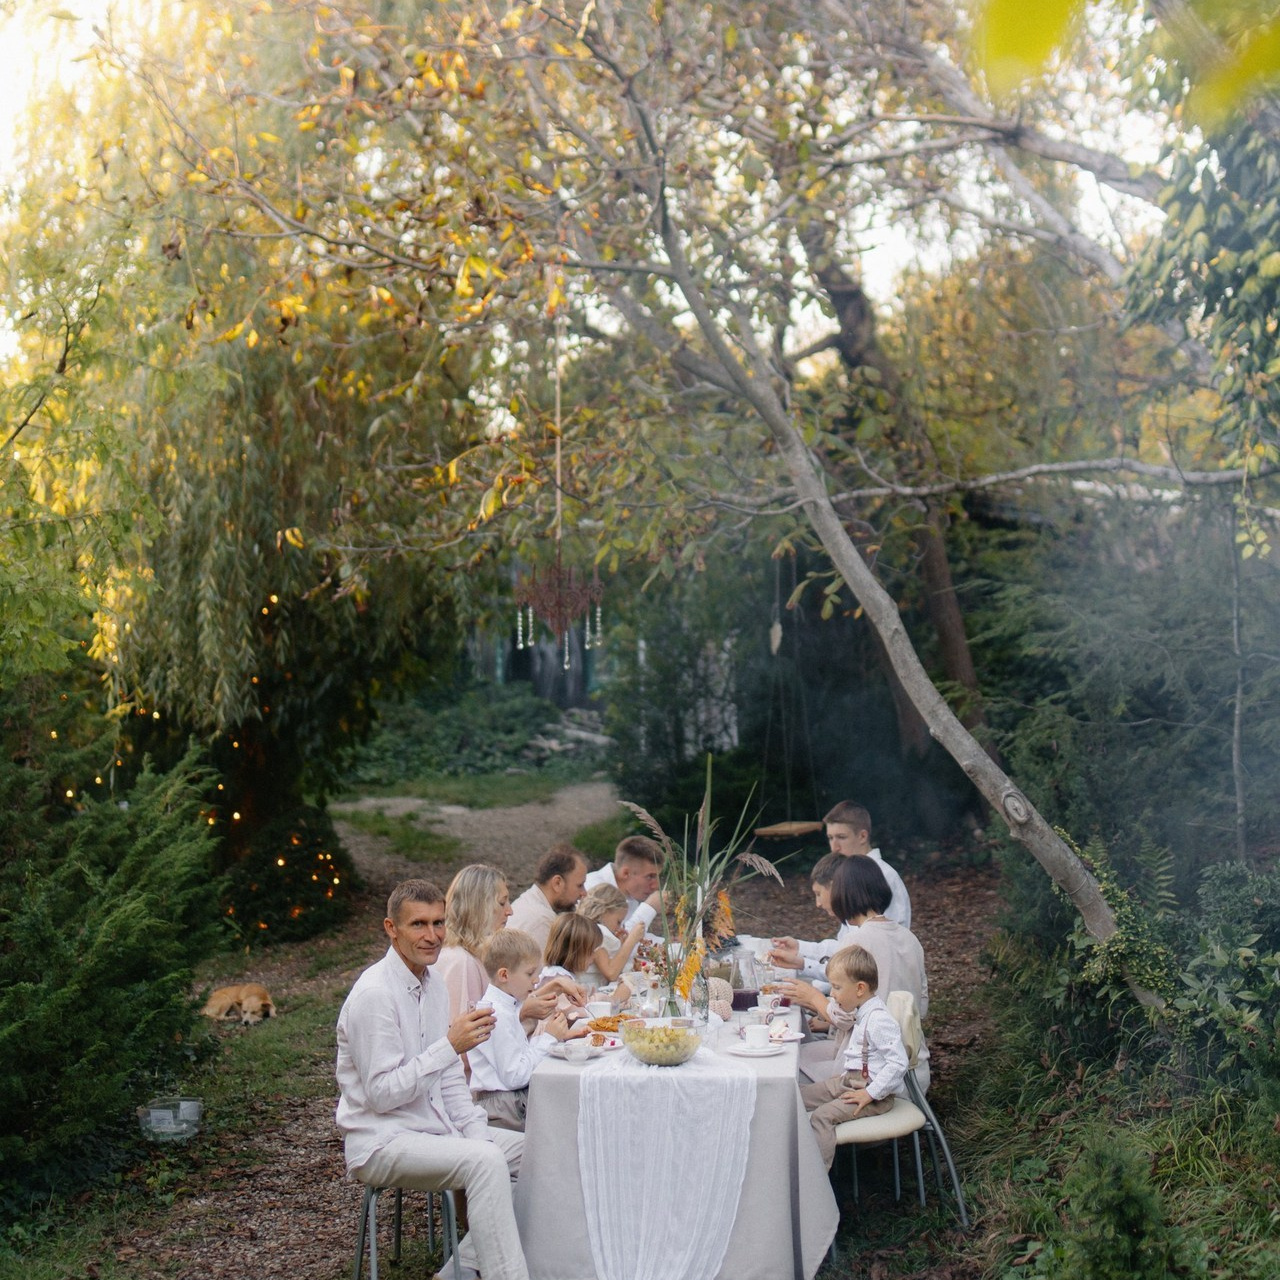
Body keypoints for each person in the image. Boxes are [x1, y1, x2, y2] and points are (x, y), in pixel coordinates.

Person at [335, 878, 529, 1280]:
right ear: (392, 929)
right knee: (485, 1161)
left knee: (538, 1152)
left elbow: (451, 1082)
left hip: (435, 1129)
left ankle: (462, 1270)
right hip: (382, 1139)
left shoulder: (434, 982)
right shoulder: (374, 995)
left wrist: (476, 1129)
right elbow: (382, 1095)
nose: (432, 935)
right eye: (418, 925)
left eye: (438, 923)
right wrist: (449, 1046)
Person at [780, 855, 931, 1089]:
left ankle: (814, 1124)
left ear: (843, 894)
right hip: (914, 1069)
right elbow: (920, 1008)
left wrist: (812, 998)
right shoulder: (910, 939)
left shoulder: (856, 940)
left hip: (872, 1073)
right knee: (804, 1052)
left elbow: (842, 1017)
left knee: (787, 1071)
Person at [799, 944, 908, 1172]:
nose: (832, 994)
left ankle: (817, 1181)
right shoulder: (862, 1012)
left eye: (837, 987)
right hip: (849, 1081)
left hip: (873, 1094)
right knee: (794, 1095)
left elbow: (898, 1063)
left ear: (860, 988)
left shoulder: (879, 1020)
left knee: (821, 1117)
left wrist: (870, 1093)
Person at [468, 929, 574, 1131]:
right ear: (504, 975)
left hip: (508, 1101)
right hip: (501, 1107)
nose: (536, 980)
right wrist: (549, 1039)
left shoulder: (508, 1007)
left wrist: (554, 1037)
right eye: (530, 973)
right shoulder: (495, 1014)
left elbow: (519, 1055)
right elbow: (515, 1075)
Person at [823, 801, 911, 927]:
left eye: (841, 837)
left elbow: (893, 936)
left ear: (863, 836)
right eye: (830, 838)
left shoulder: (885, 876)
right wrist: (800, 946)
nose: (834, 847)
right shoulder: (849, 875)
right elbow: (845, 941)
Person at [506, 843, 589, 951]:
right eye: (579, 885)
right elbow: (547, 968)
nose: (584, 893)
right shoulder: (541, 920)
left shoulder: (527, 902)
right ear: (557, 883)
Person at [583, 835, 664, 933]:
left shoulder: (631, 896)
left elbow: (638, 942)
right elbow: (609, 943)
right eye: (650, 876)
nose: (656, 886)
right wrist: (649, 908)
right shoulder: (591, 888)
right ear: (625, 873)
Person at [576, 883, 645, 986]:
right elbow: (611, 973)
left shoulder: (584, 928)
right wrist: (632, 939)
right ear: (604, 911)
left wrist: (619, 945)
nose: (619, 928)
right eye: (618, 921)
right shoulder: (597, 932)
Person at [542, 913, 603, 988]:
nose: (594, 956)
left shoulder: (559, 973)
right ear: (574, 952)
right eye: (591, 952)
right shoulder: (560, 979)